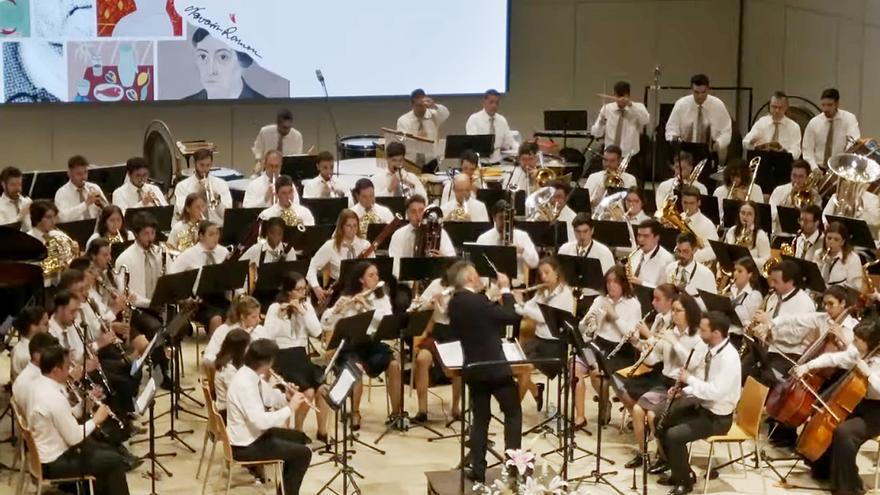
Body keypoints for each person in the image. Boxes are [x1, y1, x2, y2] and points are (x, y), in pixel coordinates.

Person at [446, 260, 522, 482]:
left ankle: (478, 470)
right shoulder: (478, 302)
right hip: (495, 367)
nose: (479, 277)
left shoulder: (455, 303)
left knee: (480, 419)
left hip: (474, 367)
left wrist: (490, 299)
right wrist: (506, 291)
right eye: (477, 274)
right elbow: (510, 316)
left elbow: (479, 319)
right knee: (513, 413)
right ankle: (513, 467)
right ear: (470, 278)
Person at [652, 312, 740, 495]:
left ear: (716, 333)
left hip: (718, 418)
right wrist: (683, 391)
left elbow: (715, 392)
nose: (699, 333)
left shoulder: (729, 358)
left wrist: (689, 379)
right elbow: (703, 381)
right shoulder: (712, 349)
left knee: (674, 436)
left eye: (703, 330)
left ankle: (685, 482)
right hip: (702, 406)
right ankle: (678, 471)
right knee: (660, 417)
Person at [790, 318, 880, 494]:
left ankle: (850, 487)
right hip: (858, 402)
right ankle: (824, 470)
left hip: (877, 411)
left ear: (870, 342)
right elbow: (834, 358)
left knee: (845, 433)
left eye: (857, 340)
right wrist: (807, 366)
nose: (853, 343)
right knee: (827, 420)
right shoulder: (860, 353)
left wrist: (869, 374)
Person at [28, 344, 131, 495]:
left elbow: (63, 415)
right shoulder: (53, 397)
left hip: (45, 456)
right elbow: (74, 438)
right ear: (56, 370)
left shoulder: (39, 385)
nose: (69, 370)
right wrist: (96, 420)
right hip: (54, 463)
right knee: (114, 460)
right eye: (66, 367)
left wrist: (85, 405)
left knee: (105, 451)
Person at [624, 292, 704, 469]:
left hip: (684, 388)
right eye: (673, 310)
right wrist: (640, 345)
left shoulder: (697, 337)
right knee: (637, 410)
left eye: (678, 311)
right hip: (665, 382)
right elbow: (653, 360)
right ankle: (643, 454)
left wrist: (674, 343)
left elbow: (692, 364)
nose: (673, 314)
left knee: (652, 415)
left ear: (689, 312)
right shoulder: (670, 332)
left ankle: (665, 458)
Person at [319, 261, 400, 430]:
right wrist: (336, 311)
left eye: (377, 274)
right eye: (371, 275)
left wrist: (366, 307)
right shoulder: (347, 297)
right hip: (350, 347)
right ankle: (355, 413)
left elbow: (386, 322)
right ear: (361, 280)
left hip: (372, 344)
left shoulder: (381, 298)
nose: (376, 278)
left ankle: (396, 413)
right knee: (355, 369)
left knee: (394, 365)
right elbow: (325, 323)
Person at [225, 339, 312, 495]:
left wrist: (287, 397)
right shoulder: (245, 385)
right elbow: (260, 422)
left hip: (253, 435)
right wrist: (290, 408)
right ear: (267, 363)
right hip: (245, 445)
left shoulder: (251, 375)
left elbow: (270, 398)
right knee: (303, 454)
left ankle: (283, 490)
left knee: (299, 438)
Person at [748, 260, 816, 445]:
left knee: (766, 376)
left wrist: (770, 326)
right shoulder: (774, 297)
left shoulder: (804, 303)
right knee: (747, 370)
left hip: (791, 354)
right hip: (771, 348)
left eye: (776, 281)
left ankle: (780, 429)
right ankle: (751, 418)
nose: (772, 285)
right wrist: (760, 328)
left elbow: (796, 335)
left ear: (790, 282)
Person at [261, 272, 329, 441]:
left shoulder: (306, 306)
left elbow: (317, 331)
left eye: (304, 289)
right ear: (288, 291)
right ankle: (297, 431)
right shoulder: (275, 308)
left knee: (322, 388)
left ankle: (322, 431)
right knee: (308, 392)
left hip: (301, 356)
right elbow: (268, 335)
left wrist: (303, 313)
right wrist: (281, 316)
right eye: (299, 290)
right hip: (282, 356)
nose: (303, 293)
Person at [577, 266, 643, 425]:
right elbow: (581, 328)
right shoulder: (600, 300)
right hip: (598, 345)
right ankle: (591, 410)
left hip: (621, 350)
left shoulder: (633, 304)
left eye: (615, 282)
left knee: (599, 375)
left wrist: (614, 315)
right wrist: (587, 323)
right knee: (575, 368)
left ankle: (608, 404)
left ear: (623, 284)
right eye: (608, 282)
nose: (611, 285)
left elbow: (633, 336)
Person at [515, 257, 574, 409]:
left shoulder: (565, 294)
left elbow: (543, 318)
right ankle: (535, 390)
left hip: (554, 346)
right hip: (538, 341)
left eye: (547, 272)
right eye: (541, 274)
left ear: (557, 273)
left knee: (523, 369)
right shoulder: (543, 292)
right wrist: (514, 301)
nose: (544, 277)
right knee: (514, 366)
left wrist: (522, 304)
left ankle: (514, 412)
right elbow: (524, 309)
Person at [409, 271, 460, 422]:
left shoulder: (464, 288)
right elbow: (416, 306)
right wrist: (429, 303)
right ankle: (422, 410)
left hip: (457, 332)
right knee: (422, 359)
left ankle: (456, 407)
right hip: (438, 332)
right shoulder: (437, 284)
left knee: (459, 365)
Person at [306, 209, 373, 303]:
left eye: (355, 225)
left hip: (363, 289)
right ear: (341, 227)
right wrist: (316, 287)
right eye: (348, 226)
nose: (353, 229)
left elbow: (373, 270)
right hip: (339, 292)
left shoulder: (365, 245)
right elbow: (312, 266)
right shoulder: (330, 246)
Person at [185, 28, 265, 101]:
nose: (210, 71)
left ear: (243, 62)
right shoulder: (185, 106)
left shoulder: (263, 106)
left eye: (223, 57)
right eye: (203, 56)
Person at [664, 74, 733, 157]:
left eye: (703, 92)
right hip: (685, 150)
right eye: (696, 92)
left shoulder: (718, 105)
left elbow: (726, 131)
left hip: (710, 150)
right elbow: (671, 128)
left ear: (708, 90)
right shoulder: (681, 105)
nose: (700, 96)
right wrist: (674, 138)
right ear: (691, 90)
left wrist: (719, 143)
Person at [388, 195, 456, 278]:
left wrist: (442, 259)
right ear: (407, 214)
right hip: (407, 278)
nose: (418, 215)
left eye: (421, 211)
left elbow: (452, 258)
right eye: (413, 212)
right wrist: (410, 282)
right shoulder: (398, 235)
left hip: (435, 277)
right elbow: (395, 264)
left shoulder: (439, 232)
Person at [476, 200, 540, 286]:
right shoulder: (483, 238)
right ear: (494, 218)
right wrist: (487, 286)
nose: (505, 222)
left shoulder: (522, 236)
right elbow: (479, 267)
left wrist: (522, 251)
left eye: (508, 218)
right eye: (501, 218)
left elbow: (535, 263)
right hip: (492, 286)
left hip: (516, 286)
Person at [801, 88, 861, 171]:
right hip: (818, 167)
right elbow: (807, 150)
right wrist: (814, 168)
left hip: (839, 167)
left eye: (829, 105)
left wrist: (844, 159)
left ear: (837, 104)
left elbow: (854, 142)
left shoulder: (849, 119)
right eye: (823, 105)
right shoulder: (814, 123)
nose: (826, 109)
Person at [558, 214, 615, 298]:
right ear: (573, 231)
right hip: (569, 296)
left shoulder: (604, 252)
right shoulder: (565, 249)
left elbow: (610, 279)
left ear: (592, 230)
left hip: (594, 296)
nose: (582, 236)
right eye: (578, 232)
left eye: (585, 231)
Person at [590, 81, 651, 156]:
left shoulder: (638, 107)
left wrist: (631, 105)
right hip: (610, 153)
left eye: (623, 96)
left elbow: (646, 120)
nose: (621, 100)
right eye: (618, 96)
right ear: (614, 95)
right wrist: (600, 123)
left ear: (628, 95)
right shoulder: (607, 108)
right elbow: (596, 134)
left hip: (630, 154)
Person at [172, 149, 232, 225]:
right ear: (194, 163)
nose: (205, 169)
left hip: (215, 227)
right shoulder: (182, 186)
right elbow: (182, 213)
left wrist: (218, 202)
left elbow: (227, 215)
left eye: (208, 165)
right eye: (201, 165)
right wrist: (198, 195)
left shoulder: (221, 184)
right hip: (192, 227)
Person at [396, 88, 449, 165]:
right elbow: (402, 142)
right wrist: (416, 139)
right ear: (412, 105)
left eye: (424, 105)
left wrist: (434, 105)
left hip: (431, 160)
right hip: (411, 161)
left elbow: (446, 114)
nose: (422, 108)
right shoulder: (404, 120)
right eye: (419, 106)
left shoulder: (433, 115)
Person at [742, 91, 802, 157]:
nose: (777, 110)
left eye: (780, 107)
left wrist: (785, 153)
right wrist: (752, 143)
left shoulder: (794, 127)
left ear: (786, 108)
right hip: (763, 158)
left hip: (784, 159)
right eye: (774, 107)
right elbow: (745, 142)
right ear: (769, 107)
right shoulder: (761, 122)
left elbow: (796, 151)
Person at [768, 160, 822, 233]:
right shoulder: (779, 190)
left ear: (807, 178)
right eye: (794, 176)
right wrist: (787, 201)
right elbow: (771, 214)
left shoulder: (814, 195)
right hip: (781, 233)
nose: (796, 180)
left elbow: (816, 218)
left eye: (801, 177)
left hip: (804, 235)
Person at [12, 332, 58, 416]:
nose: (55, 358)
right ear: (37, 356)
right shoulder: (35, 381)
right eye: (51, 354)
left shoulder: (29, 375)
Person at [465, 89, 517, 162]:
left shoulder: (502, 120)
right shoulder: (474, 119)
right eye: (491, 102)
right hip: (480, 163)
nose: (494, 105)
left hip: (497, 163)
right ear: (484, 103)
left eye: (497, 103)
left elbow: (510, 142)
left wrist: (521, 149)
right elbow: (473, 144)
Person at [725, 257, 765, 352]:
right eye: (735, 270)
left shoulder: (754, 295)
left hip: (738, 340)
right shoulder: (731, 291)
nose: (735, 273)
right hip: (725, 334)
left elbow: (747, 321)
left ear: (750, 274)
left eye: (740, 271)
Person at [663, 232, 716, 300]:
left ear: (694, 250)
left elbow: (712, 302)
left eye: (685, 251)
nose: (681, 255)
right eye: (678, 250)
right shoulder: (670, 268)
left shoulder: (706, 275)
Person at [55, 155, 107, 222]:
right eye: (79, 174)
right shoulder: (62, 193)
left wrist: (102, 205)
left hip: (96, 226)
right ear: (69, 174)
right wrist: (86, 203)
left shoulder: (94, 187)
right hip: (73, 227)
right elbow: (62, 218)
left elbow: (109, 213)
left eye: (85, 172)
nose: (83, 177)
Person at [213, 328, 250, 419]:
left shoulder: (228, 361)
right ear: (240, 349)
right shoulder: (228, 369)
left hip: (230, 408)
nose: (249, 349)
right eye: (247, 346)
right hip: (227, 412)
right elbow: (239, 395)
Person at [584, 144, 638, 208]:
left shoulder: (630, 179)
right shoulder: (593, 177)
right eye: (605, 160)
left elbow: (632, 204)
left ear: (620, 160)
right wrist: (597, 196)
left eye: (612, 161)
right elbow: (584, 202)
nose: (608, 164)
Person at [676, 186, 719, 263]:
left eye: (691, 203)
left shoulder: (708, 224)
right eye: (685, 203)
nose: (688, 206)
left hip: (694, 263)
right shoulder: (679, 218)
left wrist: (689, 257)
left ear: (699, 203)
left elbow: (713, 251)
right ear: (681, 202)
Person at [628, 219, 675, 288]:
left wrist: (642, 283)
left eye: (645, 236)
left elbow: (667, 290)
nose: (640, 239)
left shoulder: (668, 260)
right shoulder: (635, 254)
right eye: (639, 235)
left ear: (656, 238)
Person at [722, 202, 771, 268]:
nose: (745, 217)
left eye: (749, 214)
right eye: (743, 213)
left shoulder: (761, 235)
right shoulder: (732, 230)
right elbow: (724, 253)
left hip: (752, 271)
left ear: (755, 216)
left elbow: (766, 261)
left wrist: (747, 260)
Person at [818, 222, 862, 289]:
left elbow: (855, 287)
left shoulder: (853, 259)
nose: (831, 242)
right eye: (829, 238)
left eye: (836, 240)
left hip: (840, 294)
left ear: (842, 242)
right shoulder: (818, 254)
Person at [10, 306, 48, 379]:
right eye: (45, 324)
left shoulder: (34, 348)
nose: (48, 327)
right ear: (33, 327)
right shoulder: (27, 354)